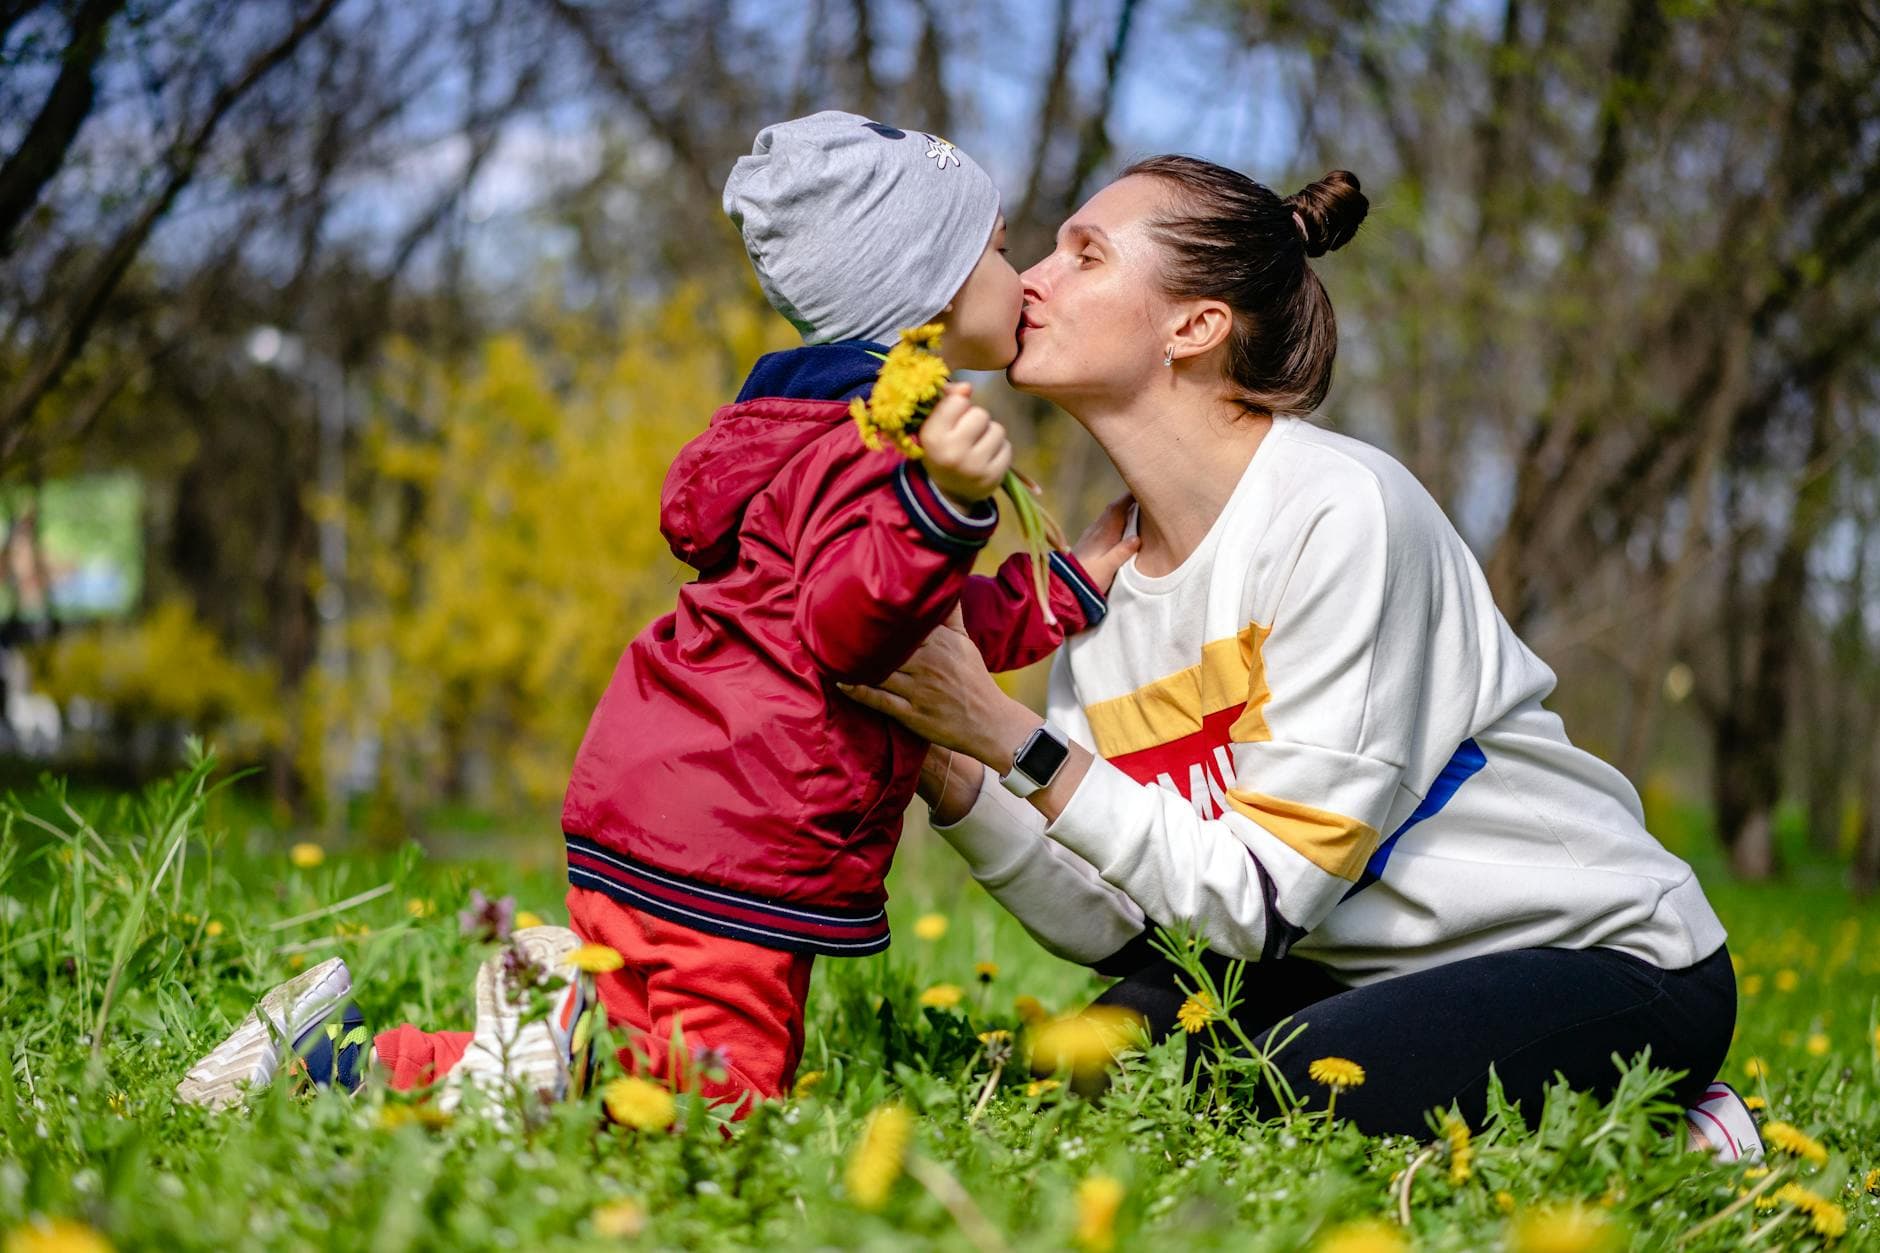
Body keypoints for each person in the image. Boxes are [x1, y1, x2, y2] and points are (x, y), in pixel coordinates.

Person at [176, 111, 1137, 1117]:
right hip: (739, 831)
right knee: (712, 1108)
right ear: (924, 291)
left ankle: (343, 1059)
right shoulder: (880, 452)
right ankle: (441, 1044)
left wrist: (1061, 587)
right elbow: (854, 629)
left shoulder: (801, 433)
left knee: (630, 1072)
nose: (1019, 272)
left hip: (667, 800)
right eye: (992, 248)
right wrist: (943, 501)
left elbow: (916, 623)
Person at [840, 155, 1762, 1158]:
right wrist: (954, 766)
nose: (1030, 281)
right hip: (1341, 963)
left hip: (1591, 953)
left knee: (1276, 1091)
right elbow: (1120, 916)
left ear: (1192, 325)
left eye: (1083, 254)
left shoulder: (1339, 513)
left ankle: (1673, 1121)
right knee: (1068, 1073)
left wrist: (1000, 724)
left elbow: (1255, 900)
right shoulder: (1103, 594)